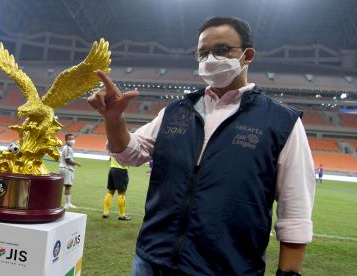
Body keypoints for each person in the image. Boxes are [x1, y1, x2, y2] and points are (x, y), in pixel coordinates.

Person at [88, 16, 315, 275]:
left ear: (248, 55)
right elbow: (129, 153)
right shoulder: (176, 111)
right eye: (203, 53)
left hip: (227, 269)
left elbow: (295, 212)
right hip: (151, 261)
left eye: (221, 51)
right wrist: (115, 119)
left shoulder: (281, 122)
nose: (210, 59)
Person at [59, 133, 81, 209]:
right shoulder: (67, 148)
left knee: (65, 186)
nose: (72, 140)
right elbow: (68, 160)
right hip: (66, 168)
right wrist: (77, 163)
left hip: (64, 168)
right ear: (66, 140)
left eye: (73, 138)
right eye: (70, 139)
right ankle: (67, 204)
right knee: (68, 186)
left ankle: (67, 203)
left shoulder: (67, 148)